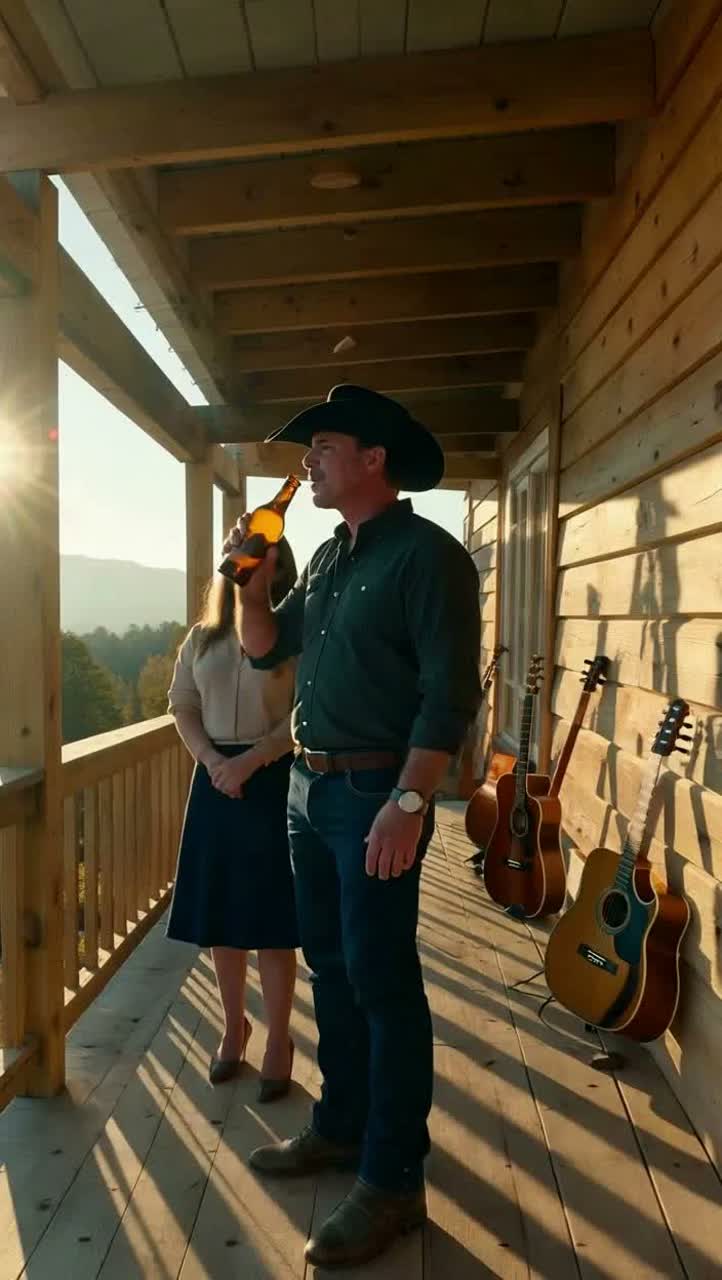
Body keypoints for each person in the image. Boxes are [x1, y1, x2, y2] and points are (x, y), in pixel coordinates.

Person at [223, 384, 482, 1268]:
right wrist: (251, 585)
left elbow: (450, 694)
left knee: (381, 982)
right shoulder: (332, 555)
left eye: (324, 447)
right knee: (330, 968)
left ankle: (393, 1178)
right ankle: (339, 1126)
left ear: (375, 459)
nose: (308, 462)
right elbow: (266, 646)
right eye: (310, 450)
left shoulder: (430, 558)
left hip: (377, 793)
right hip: (308, 789)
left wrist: (409, 803)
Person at [166, 539, 299, 1101]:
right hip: (215, 781)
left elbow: (303, 714)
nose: (246, 569)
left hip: (273, 780)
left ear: (278, 571)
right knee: (222, 918)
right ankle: (233, 1028)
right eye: (239, 560)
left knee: (273, 921)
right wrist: (214, 761)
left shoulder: (292, 637)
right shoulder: (201, 638)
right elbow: (182, 704)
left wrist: (251, 760)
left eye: (263, 562)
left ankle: (279, 1040)